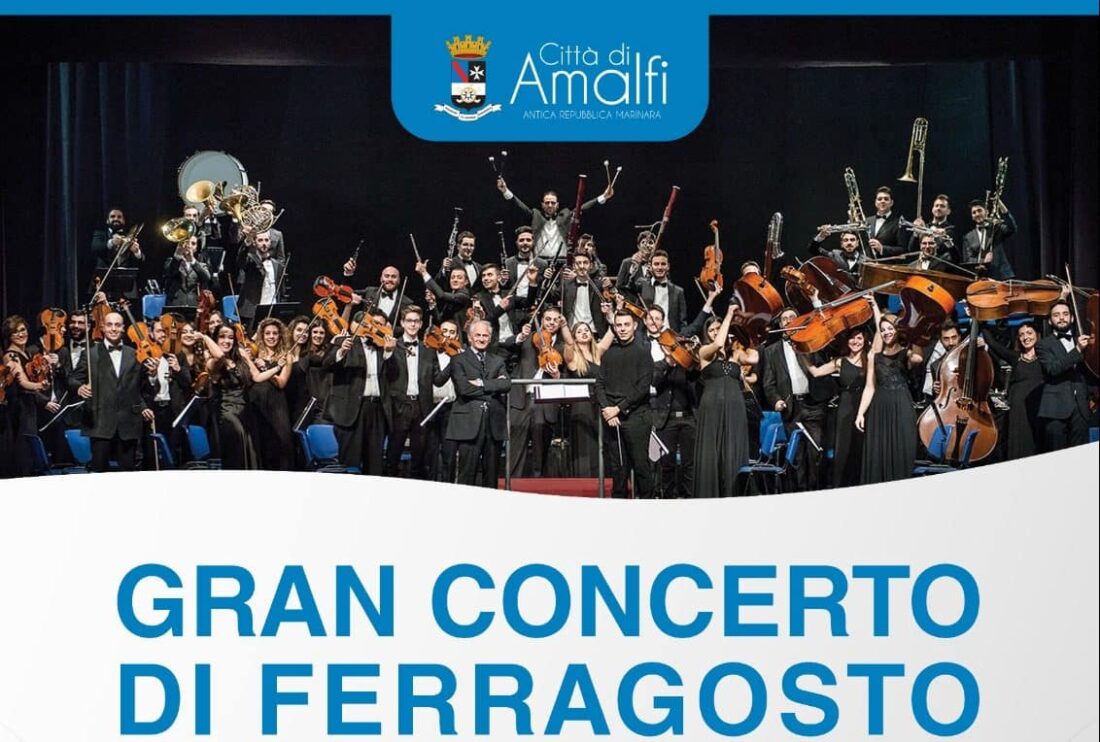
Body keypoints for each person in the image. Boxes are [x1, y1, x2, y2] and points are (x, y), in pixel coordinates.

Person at [71, 311, 155, 472]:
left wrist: (152, 376)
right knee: (100, 474)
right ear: (103, 327)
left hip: (128, 423)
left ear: (123, 328)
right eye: (109, 325)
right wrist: (79, 388)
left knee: (127, 474)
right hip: (100, 423)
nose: (114, 329)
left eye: (117, 325)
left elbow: (142, 388)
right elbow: (73, 379)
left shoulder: (135, 353)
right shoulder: (90, 353)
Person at [762, 307, 835, 491]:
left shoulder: (812, 343)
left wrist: (806, 341)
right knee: (797, 457)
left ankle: (816, 491)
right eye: (784, 319)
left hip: (813, 404)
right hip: (791, 408)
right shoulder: (771, 351)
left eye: (792, 317)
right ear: (780, 324)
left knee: (815, 453)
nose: (788, 321)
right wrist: (776, 400)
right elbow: (768, 384)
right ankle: (800, 493)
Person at [692, 305, 759, 498]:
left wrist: (745, 335)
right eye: (711, 329)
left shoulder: (736, 354)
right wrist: (728, 315)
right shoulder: (704, 352)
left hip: (735, 406)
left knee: (733, 450)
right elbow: (718, 344)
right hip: (711, 407)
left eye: (718, 328)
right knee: (711, 452)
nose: (715, 332)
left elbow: (754, 358)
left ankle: (733, 494)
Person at [857, 302, 922, 484]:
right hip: (879, 408)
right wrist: (860, 413)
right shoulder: (874, 356)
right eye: (883, 330)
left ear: (898, 330)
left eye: (890, 328)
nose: (886, 332)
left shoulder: (906, 353)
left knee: (902, 450)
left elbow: (918, 358)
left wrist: (915, 330)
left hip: (902, 406)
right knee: (879, 452)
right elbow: (869, 387)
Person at [324, 309, 396, 473]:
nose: (376, 328)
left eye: (381, 325)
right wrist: (341, 351)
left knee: (375, 465)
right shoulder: (345, 341)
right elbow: (326, 364)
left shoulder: (384, 347)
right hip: (351, 411)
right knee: (350, 465)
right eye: (373, 323)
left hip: (377, 410)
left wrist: (389, 352)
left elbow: (393, 376)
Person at [595, 310, 654, 498]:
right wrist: (607, 410)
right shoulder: (608, 354)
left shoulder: (643, 353)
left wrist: (618, 409)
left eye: (626, 325)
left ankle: (648, 507)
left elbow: (643, 388)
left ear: (634, 326)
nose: (622, 329)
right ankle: (618, 509)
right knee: (617, 469)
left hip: (636, 418)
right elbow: (599, 384)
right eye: (618, 325)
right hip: (612, 419)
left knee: (641, 467)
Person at [801, 328, 870, 488]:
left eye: (859, 338)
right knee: (843, 447)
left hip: (865, 407)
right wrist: (801, 354)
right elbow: (816, 372)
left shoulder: (870, 359)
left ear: (865, 341)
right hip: (845, 408)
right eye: (852, 338)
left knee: (861, 448)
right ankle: (841, 485)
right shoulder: (840, 361)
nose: (855, 341)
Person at [447, 319, 511, 487]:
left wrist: (482, 384)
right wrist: (493, 387)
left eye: (485, 335)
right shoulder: (458, 360)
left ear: (490, 338)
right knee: (467, 475)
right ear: (470, 337)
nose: (481, 339)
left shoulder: (497, 361)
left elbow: (506, 384)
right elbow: (463, 389)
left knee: (491, 477)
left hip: (493, 424)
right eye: (478, 335)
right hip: (468, 424)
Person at [496, 177, 614, 261]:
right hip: (539, 261)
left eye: (553, 203)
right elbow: (519, 207)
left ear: (557, 205)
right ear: (542, 204)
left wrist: (604, 197)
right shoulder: (536, 215)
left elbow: (582, 208)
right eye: (547, 202)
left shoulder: (566, 215)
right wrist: (505, 191)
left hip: (562, 261)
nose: (550, 205)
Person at [383, 306, 435, 479]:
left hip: (421, 406)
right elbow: (386, 373)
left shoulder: (428, 349)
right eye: (409, 321)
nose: (413, 324)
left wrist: (454, 360)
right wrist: (388, 352)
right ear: (402, 323)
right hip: (399, 405)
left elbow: (437, 379)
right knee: (393, 454)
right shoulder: (393, 345)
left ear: (421, 324)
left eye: (416, 321)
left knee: (419, 457)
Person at [984, 321, 1045, 460]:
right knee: (1018, 444)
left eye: (1029, 333)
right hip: (1018, 410)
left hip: (1038, 407)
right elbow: (993, 344)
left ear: (1037, 335)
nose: (1026, 337)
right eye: (1022, 335)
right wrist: (981, 320)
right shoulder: (1016, 357)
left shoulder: (1045, 357)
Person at [1036, 300, 1092, 449]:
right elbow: (1053, 369)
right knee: (1058, 455)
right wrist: (1077, 350)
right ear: (1050, 321)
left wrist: (1092, 396)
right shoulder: (1042, 345)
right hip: (1056, 408)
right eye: (1056, 315)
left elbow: (1089, 372)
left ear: (1072, 318)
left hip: (1081, 407)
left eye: (1065, 314)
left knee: (1081, 454)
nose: (1061, 318)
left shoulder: (1081, 339)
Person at [560, 319, 613, 478]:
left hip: (600, 403)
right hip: (582, 405)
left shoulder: (598, 352)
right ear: (574, 336)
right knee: (585, 444)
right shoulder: (573, 356)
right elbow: (568, 343)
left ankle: (601, 478)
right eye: (579, 331)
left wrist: (611, 316)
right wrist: (564, 326)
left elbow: (611, 333)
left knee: (600, 442)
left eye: (586, 330)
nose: (584, 333)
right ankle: (584, 480)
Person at [3, 315, 51, 476]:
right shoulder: (11, 355)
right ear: (9, 336)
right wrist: (40, 385)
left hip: (28, 405)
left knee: (30, 448)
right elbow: (23, 382)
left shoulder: (27, 353)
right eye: (15, 332)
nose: (21, 334)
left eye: (22, 330)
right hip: (19, 407)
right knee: (23, 449)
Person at [248, 318, 294, 470]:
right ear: (262, 335)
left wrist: (266, 368)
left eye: (275, 333)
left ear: (280, 335)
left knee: (280, 443)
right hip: (257, 402)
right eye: (267, 333)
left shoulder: (286, 356)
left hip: (276, 404)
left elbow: (281, 382)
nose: (271, 336)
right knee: (259, 442)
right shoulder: (254, 354)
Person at [616, 249, 688, 332]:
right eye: (656, 264)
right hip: (645, 335)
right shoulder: (642, 284)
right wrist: (634, 267)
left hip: (669, 336)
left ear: (668, 266)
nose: (660, 267)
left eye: (663, 264)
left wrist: (682, 337)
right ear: (650, 267)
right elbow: (622, 287)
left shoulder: (678, 292)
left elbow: (683, 322)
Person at [425, 319, 461, 482]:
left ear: (457, 336)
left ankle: (449, 486)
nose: (447, 335)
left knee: (449, 454)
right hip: (431, 407)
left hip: (451, 407)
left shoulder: (460, 355)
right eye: (444, 331)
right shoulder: (429, 352)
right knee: (430, 454)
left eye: (452, 332)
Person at [235, 231, 285, 329]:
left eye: (266, 240)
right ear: (254, 243)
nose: (264, 243)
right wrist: (247, 241)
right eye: (260, 240)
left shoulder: (277, 265)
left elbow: (281, 290)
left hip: (272, 310)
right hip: (252, 312)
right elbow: (241, 260)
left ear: (270, 242)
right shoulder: (250, 261)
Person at [962, 198, 1017, 280]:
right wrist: (983, 261)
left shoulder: (996, 228)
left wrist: (1001, 205)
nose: (977, 214)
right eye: (974, 212)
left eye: (979, 210)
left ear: (986, 212)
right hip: (981, 277)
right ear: (972, 217)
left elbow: (1012, 228)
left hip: (1001, 275)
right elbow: (968, 259)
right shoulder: (968, 237)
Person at [163, 235, 213, 307]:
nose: (189, 246)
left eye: (193, 243)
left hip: (194, 304)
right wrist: (177, 256)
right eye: (186, 242)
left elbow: (207, 278)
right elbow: (169, 273)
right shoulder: (171, 261)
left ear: (196, 248)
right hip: (174, 304)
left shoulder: (200, 265)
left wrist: (193, 261)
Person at [866, 186, 905, 257]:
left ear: (891, 203)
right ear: (875, 202)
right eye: (879, 199)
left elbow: (902, 249)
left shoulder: (898, 223)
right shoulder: (867, 220)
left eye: (886, 199)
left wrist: (882, 248)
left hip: (887, 263)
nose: (882, 201)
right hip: (868, 262)